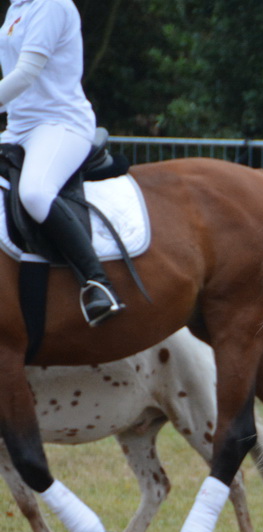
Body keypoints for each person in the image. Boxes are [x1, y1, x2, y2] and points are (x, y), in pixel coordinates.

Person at [0, 0, 121, 324]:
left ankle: (97, 282)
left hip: (60, 125)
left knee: (35, 193)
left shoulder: (50, 4)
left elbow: (25, 74)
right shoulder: (17, 7)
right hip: (18, 126)